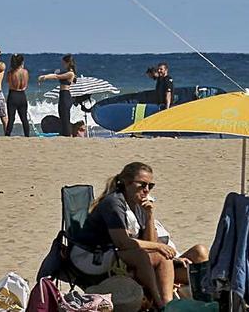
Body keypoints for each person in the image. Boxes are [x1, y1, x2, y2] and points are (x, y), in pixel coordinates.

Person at [71, 162, 208, 309]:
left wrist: (149, 215)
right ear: (126, 182)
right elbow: (122, 242)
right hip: (95, 257)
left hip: (127, 256)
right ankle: (162, 303)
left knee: (200, 252)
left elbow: (149, 241)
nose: (146, 190)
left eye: (150, 186)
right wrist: (160, 247)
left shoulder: (138, 203)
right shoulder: (113, 203)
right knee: (155, 255)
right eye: (142, 185)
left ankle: (205, 295)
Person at [39, 54, 78, 137]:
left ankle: (67, 135)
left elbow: (57, 76)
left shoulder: (70, 73)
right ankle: (65, 133)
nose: (63, 64)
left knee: (65, 117)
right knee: (62, 116)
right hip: (63, 94)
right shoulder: (68, 72)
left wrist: (45, 77)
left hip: (66, 95)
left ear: (68, 63)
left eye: (64, 62)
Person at [5, 53, 31, 137]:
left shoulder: (11, 73)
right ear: (22, 62)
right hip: (22, 95)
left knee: (11, 119)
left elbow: (8, 82)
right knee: (24, 118)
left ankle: (7, 135)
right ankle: (27, 136)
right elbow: (26, 85)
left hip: (13, 94)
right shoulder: (25, 72)